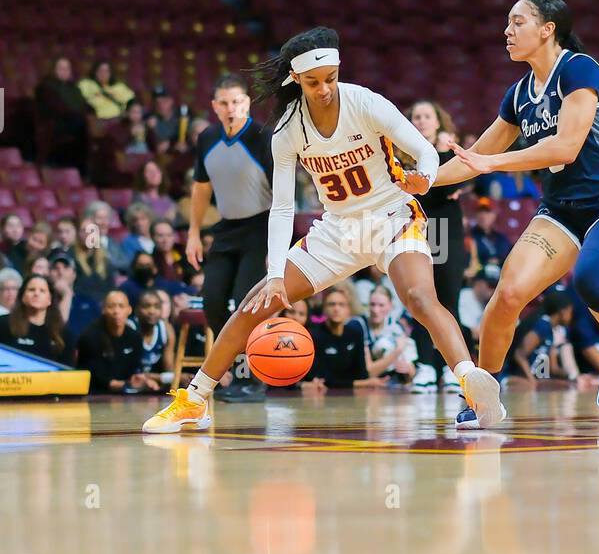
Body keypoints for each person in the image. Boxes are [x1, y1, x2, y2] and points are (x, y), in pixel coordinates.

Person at [143, 26, 502, 432]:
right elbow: (281, 207)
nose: (325, 88)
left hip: (391, 216)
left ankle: (472, 385)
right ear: (296, 79)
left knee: (419, 296)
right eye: (313, 82)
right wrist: (276, 274)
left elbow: (422, 149)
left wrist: (424, 176)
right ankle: (194, 399)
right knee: (254, 304)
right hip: (336, 229)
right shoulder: (287, 129)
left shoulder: (364, 101)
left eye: (330, 78)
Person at [437, 0, 599, 420]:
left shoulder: (579, 70)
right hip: (560, 212)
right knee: (508, 294)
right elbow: (476, 154)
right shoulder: (519, 94)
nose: (507, 31)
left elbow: (566, 147)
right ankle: (483, 395)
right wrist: (419, 183)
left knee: (590, 279)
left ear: (547, 29)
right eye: (507, 24)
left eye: (517, 23)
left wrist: (490, 163)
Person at [183, 73, 275, 402]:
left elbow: (283, 192)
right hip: (225, 228)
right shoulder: (207, 138)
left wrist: (275, 245)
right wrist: (194, 232)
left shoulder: (263, 136)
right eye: (224, 103)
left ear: (248, 103)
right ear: (214, 107)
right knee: (212, 301)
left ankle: (253, 379)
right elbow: (201, 187)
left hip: (261, 227)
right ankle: (238, 371)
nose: (231, 108)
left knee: (246, 302)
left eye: (237, 102)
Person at [406, 98, 470, 391]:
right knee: (420, 299)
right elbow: (427, 193)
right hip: (415, 229)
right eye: (416, 116)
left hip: (445, 230)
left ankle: (451, 368)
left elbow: (450, 185)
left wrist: (444, 153)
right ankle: (425, 366)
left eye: (426, 116)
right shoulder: (403, 151)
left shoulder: (447, 152)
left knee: (447, 300)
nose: (421, 121)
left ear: (438, 121)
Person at [0, 274, 72, 364]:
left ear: (49, 300)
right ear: (22, 296)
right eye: (31, 290)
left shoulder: (62, 333)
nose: (36, 294)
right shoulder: (3, 324)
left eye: (42, 291)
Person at [76, 290, 152, 393]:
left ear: (129, 310)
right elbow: (91, 374)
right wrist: (123, 385)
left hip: (128, 394)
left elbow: (136, 369)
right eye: (111, 306)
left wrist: (140, 380)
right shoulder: (90, 336)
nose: (116, 311)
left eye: (121, 306)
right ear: (103, 309)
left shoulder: (135, 337)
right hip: (96, 394)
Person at [304, 285, 376, 391]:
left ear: (348, 310)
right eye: (331, 304)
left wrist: (361, 383)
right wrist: (360, 383)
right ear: (324, 309)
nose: (336, 309)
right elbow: (322, 379)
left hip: (354, 396)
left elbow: (362, 374)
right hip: (324, 396)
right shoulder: (314, 335)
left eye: (341, 305)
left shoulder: (356, 333)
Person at [506, 290, 577, 384]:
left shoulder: (551, 329)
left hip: (537, 379)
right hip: (515, 377)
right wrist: (532, 381)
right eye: (570, 312)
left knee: (566, 385)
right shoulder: (543, 326)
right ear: (563, 312)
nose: (571, 316)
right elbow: (519, 354)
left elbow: (554, 369)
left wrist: (574, 377)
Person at [363, 284, 418, 385]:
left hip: (394, 383)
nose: (376, 310)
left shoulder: (397, 327)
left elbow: (412, 369)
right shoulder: (361, 326)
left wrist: (409, 369)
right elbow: (369, 372)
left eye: (381, 305)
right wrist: (397, 351)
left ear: (390, 306)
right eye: (372, 304)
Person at [48, 249, 101, 343]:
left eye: (65, 267)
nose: (60, 272)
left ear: (74, 275)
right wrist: (66, 295)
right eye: (55, 268)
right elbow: (58, 333)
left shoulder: (89, 304)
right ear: (49, 275)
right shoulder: (43, 302)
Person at [132, 288, 174, 383]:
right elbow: (125, 374)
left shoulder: (166, 329)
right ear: (137, 309)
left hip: (153, 386)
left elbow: (169, 371)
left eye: (157, 307)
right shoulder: (129, 328)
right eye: (146, 306)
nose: (152, 311)